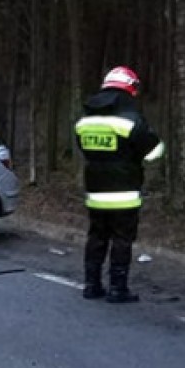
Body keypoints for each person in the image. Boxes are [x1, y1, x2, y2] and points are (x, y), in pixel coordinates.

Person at [74, 66, 164, 303]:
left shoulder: (84, 121)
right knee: (122, 239)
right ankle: (118, 289)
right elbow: (154, 151)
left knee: (96, 236)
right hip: (125, 192)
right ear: (129, 89)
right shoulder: (131, 121)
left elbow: (84, 149)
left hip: (95, 190)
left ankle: (91, 285)